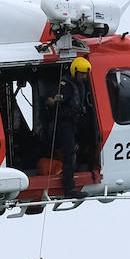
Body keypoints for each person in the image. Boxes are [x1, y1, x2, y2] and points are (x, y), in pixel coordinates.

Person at [45, 56, 91, 199]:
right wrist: (55, 100)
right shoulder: (66, 85)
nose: (84, 76)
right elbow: (52, 99)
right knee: (69, 153)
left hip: (74, 122)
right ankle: (69, 188)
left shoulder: (80, 84)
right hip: (64, 124)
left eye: (85, 74)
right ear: (74, 71)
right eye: (81, 73)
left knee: (82, 144)